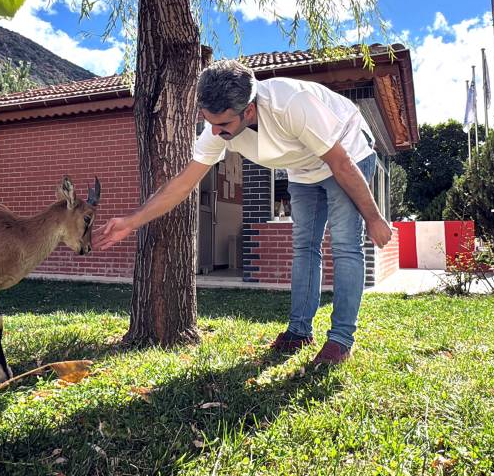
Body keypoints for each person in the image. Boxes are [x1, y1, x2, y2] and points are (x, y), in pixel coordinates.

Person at [96, 59, 392, 365]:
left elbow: (340, 164)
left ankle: (341, 340)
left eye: (222, 125)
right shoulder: (218, 128)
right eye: (208, 121)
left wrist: (373, 218)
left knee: (345, 245)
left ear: (248, 111)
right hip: (304, 168)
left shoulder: (291, 103)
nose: (214, 131)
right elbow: (183, 184)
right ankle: (299, 331)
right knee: (305, 247)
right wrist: (132, 221)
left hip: (347, 153)